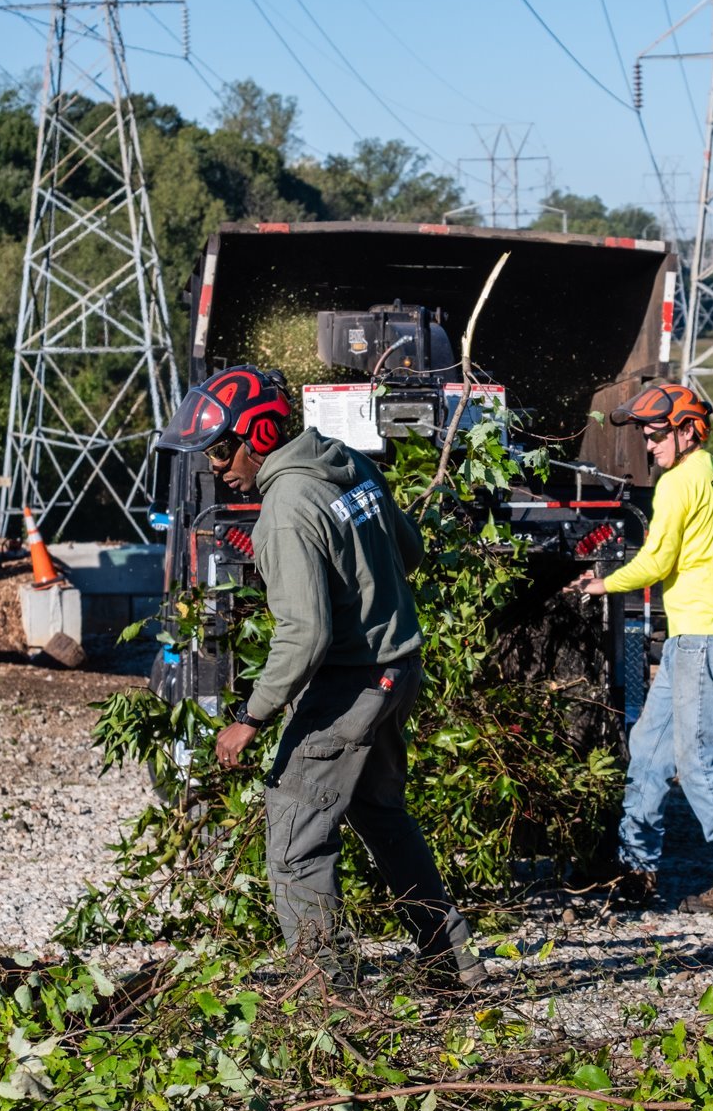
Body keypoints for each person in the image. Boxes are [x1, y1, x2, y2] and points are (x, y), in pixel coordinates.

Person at [156, 364, 481, 987]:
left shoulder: (284, 506)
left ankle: (327, 994)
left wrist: (250, 718)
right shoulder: (345, 461)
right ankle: (454, 962)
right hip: (397, 669)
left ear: (259, 435)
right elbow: (409, 551)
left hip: (350, 684)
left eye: (220, 451)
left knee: (296, 831)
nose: (217, 468)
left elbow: (304, 634)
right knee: (380, 812)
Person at [565, 383, 713, 913]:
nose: (649, 447)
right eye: (646, 437)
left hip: (701, 639)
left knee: (698, 762)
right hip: (702, 637)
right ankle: (634, 868)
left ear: (689, 430)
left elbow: (657, 562)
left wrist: (602, 584)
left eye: (656, 436)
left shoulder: (677, 483)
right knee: (648, 751)